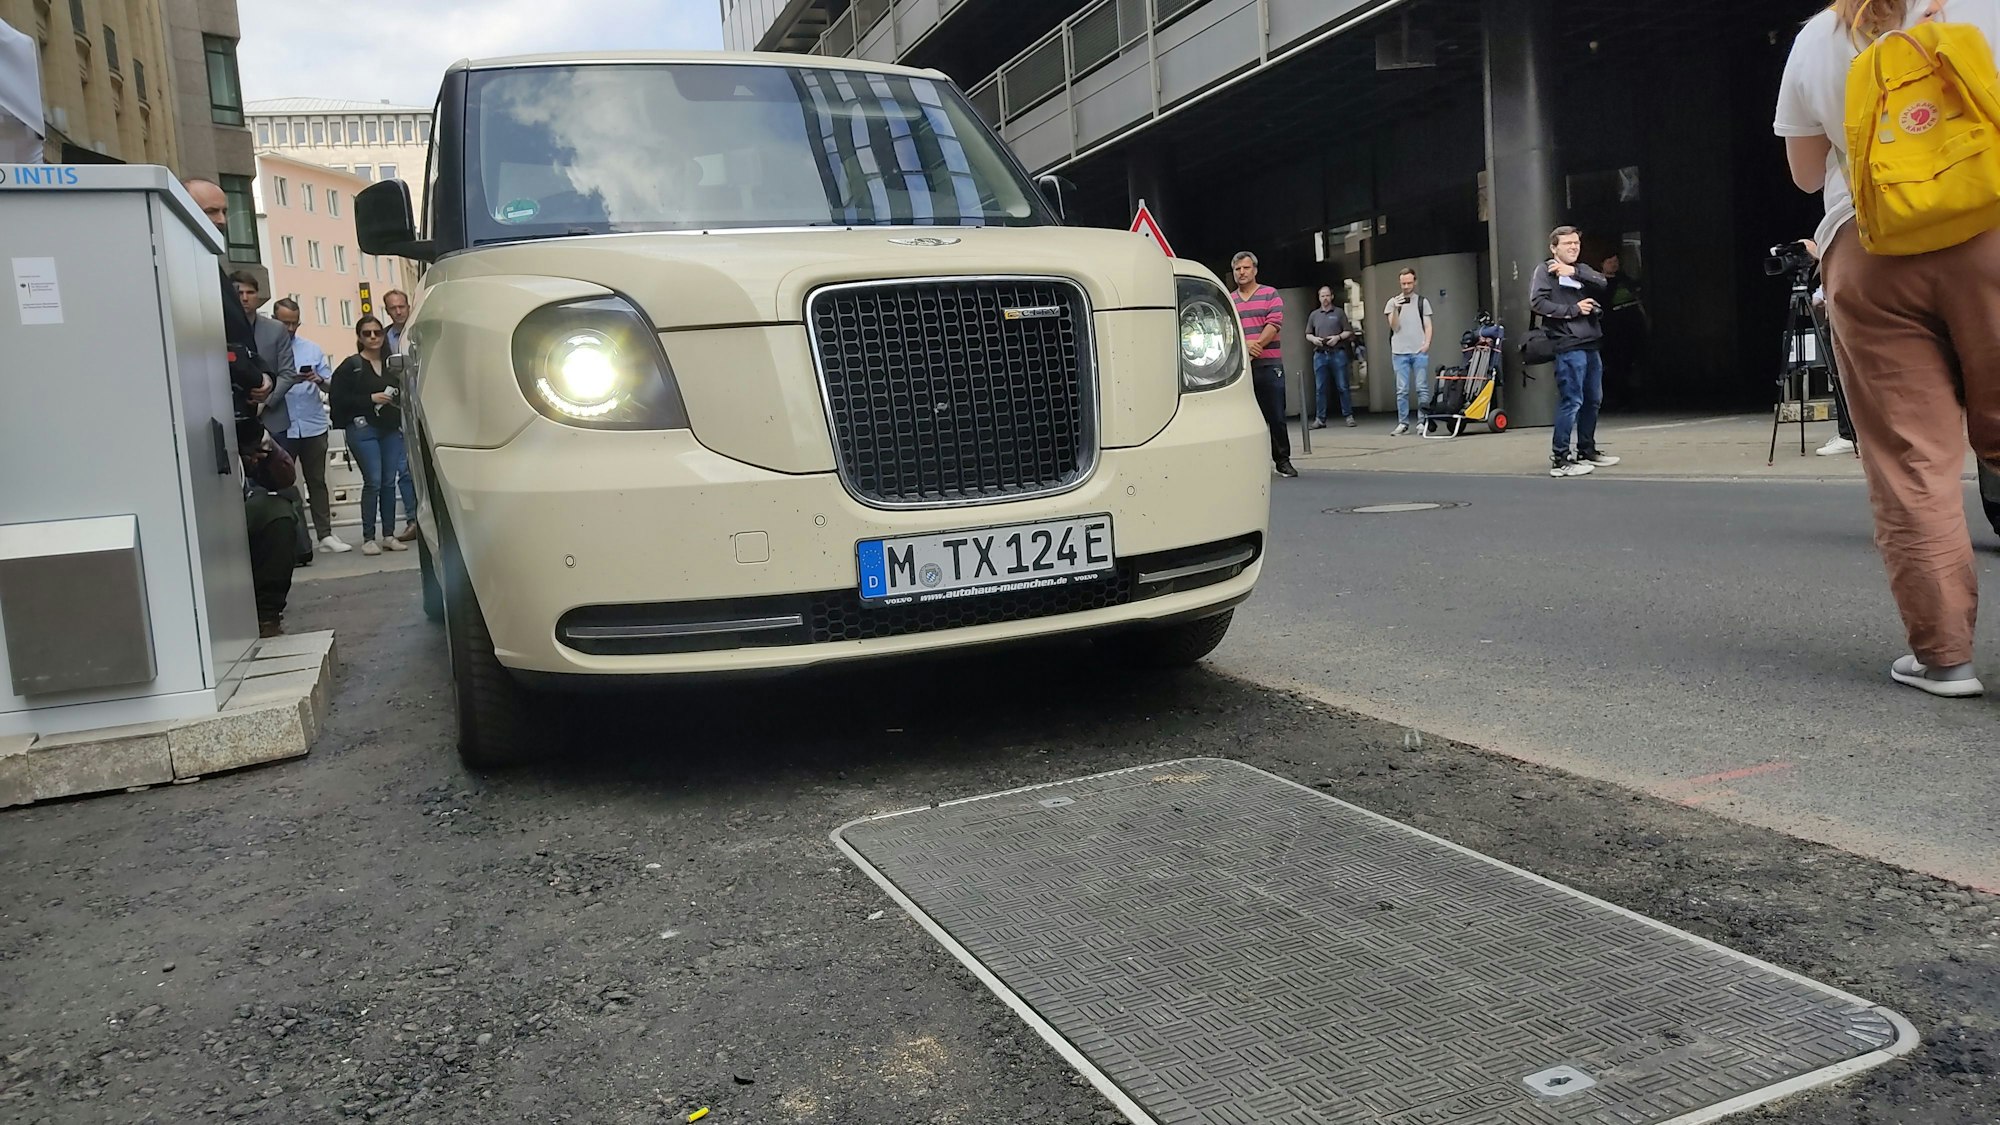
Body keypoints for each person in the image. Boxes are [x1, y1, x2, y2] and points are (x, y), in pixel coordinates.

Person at [1775, 0, 1999, 697]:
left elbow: (1806, 174)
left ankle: (1945, 657)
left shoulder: (1819, 37)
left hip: (1871, 249)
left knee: (1913, 460)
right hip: (1991, 227)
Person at [1530, 227, 1621, 477]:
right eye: (1567, 243)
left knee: (1593, 399)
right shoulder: (1544, 271)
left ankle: (1586, 449)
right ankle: (1560, 458)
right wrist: (1573, 310)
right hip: (1568, 343)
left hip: (1591, 341)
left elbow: (1603, 281)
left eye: (1576, 243)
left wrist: (1575, 271)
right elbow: (1537, 303)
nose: (1573, 247)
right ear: (1553, 248)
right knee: (1572, 400)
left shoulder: (1581, 270)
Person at [330, 316, 413, 556]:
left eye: (377, 332)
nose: (374, 337)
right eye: (367, 333)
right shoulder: (351, 365)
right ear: (359, 337)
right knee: (373, 481)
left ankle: (388, 535)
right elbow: (338, 399)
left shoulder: (391, 365)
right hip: (362, 428)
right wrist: (370, 399)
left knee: (388, 482)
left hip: (389, 428)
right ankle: (368, 537)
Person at [272, 298, 351, 553]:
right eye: (285, 323)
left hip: (312, 422)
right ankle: (293, 539)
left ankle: (325, 534)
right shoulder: (266, 348)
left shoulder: (312, 349)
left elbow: (331, 387)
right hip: (281, 423)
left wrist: (317, 379)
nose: (291, 329)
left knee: (316, 480)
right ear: (274, 320)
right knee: (282, 483)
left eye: (295, 323)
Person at [1230, 251, 1297, 478]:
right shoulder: (1230, 300)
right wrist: (1245, 347)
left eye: (1246, 268)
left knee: (1276, 415)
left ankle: (1283, 461)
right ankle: (1249, 464)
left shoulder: (1270, 294)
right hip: (1241, 369)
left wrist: (1255, 345)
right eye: (1238, 269)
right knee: (1244, 418)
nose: (1242, 272)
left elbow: (1274, 322)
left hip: (1270, 365)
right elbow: (1227, 330)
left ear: (1255, 270)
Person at [239, 419, 300, 638]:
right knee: (268, 511)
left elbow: (285, 478)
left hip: (239, 508)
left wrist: (263, 444)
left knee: (278, 512)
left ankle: (267, 616)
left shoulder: (245, 425)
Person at [380, 289, 420, 541]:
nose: (398, 312)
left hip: (423, 400)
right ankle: (412, 519)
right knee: (404, 468)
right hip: (399, 408)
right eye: (393, 308)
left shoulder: (418, 332)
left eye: (401, 306)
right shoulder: (383, 338)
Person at [1382, 268, 1433, 436]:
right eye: (1403, 283)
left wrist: (1426, 343)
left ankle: (1422, 421)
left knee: (1422, 388)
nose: (1406, 286)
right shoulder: (1392, 302)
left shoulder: (1422, 302)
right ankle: (1403, 423)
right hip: (1399, 351)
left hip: (1418, 350)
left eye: (1409, 283)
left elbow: (1428, 325)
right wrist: (1396, 308)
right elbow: (1394, 326)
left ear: (1415, 282)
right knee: (1402, 390)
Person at [1306, 285, 1357, 429]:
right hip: (1320, 354)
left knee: (1343, 386)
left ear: (1332, 296)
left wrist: (1338, 337)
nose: (1325, 298)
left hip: (1337, 352)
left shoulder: (1339, 313)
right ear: (1319, 297)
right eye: (1322, 296)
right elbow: (1308, 334)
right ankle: (1320, 419)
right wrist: (1314, 339)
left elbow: (1348, 331)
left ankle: (1348, 416)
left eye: (1327, 295)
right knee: (1320, 388)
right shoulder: (1314, 315)